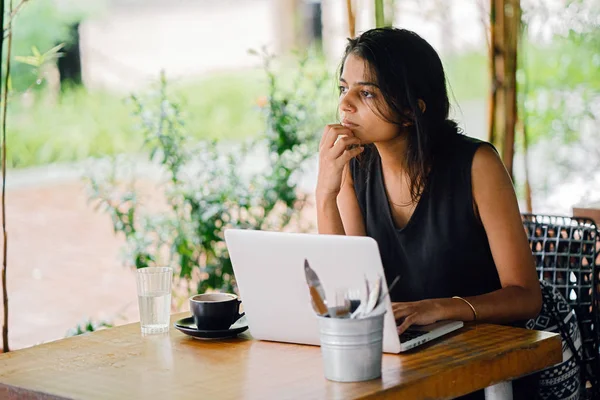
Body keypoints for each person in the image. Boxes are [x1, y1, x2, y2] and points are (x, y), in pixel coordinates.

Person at [315, 27, 542, 399]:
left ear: (410, 108)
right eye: (344, 89)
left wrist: (440, 309)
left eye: (366, 92)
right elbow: (351, 293)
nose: (345, 104)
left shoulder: (477, 165)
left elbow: (526, 296)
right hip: (403, 364)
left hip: (485, 371)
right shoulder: (354, 169)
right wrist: (326, 193)